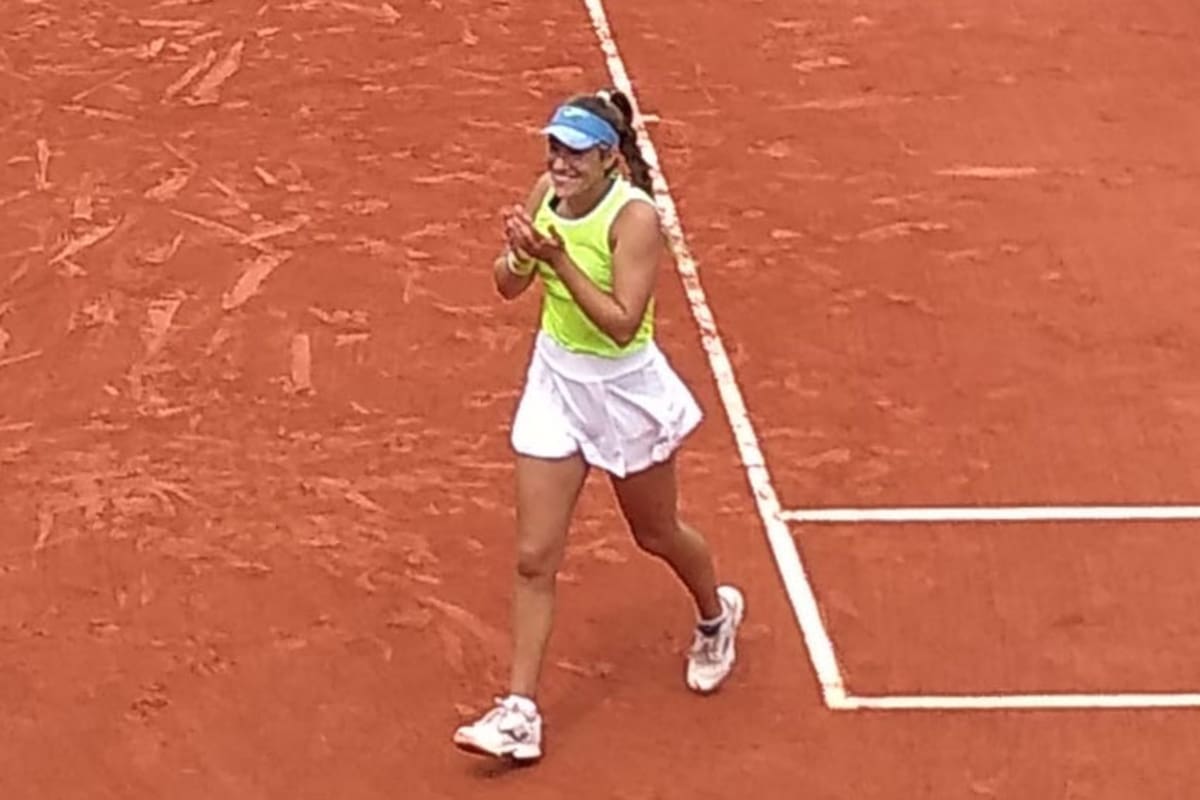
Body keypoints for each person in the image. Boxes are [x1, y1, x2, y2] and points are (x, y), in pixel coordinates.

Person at [452, 88, 745, 764]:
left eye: (575, 153)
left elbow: (620, 324)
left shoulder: (634, 219)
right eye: (554, 148)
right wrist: (521, 255)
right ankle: (520, 713)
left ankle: (715, 614)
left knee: (656, 532)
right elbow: (506, 285)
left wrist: (556, 259)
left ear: (610, 158)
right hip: (556, 384)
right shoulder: (544, 193)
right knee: (534, 556)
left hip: (622, 392)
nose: (559, 162)